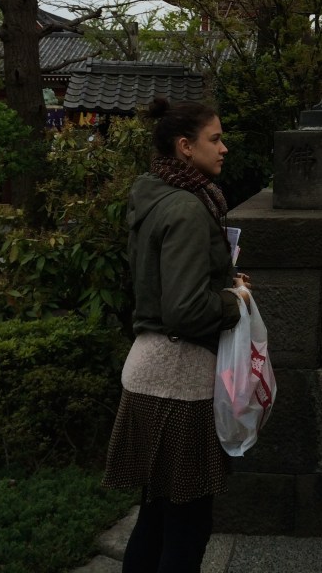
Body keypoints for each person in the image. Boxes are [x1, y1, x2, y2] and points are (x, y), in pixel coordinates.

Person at [103, 97, 248, 573]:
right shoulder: (187, 209)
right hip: (178, 377)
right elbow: (184, 310)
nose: (223, 148)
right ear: (185, 147)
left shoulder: (154, 194)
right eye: (214, 139)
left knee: (158, 513)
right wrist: (235, 301)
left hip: (149, 369)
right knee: (187, 524)